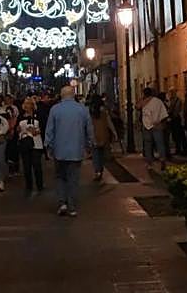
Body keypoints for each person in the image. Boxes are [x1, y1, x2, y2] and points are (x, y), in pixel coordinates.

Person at [44, 87, 93, 217]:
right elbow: (89, 129)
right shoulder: (82, 109)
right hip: (76, 149)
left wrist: (48, 146)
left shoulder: (55, 109)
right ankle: (71, 205)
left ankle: (62, 203)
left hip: (59, 150)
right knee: (73, 179)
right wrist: (89, 144)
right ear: (73, 95)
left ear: (61, 95)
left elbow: (50, 130)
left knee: (60, 177)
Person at [17, 97, 45, 194]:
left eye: (29, 103)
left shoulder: (38, 116)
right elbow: (17, 128)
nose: (27, 105)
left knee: (37, 165)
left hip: (36, 143)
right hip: (25, 143)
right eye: (26, 103)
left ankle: (39, 185)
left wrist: (37, 131)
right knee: (26, 166)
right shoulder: (20, 116)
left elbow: (43, 127)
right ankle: (29, 186)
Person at [87, 94, 117, 181]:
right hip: (103, 133)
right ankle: (101, 169)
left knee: (95, 154)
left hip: (94, 134)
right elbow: (109, 122)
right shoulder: (104, 110)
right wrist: (114, 132)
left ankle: (97, 171)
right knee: (102, 153)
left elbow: (88, 124)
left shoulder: (90, 111)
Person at [139, 87, 169, 172]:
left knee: (148, 144)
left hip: (147, 126)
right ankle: (162, 159)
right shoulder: (158, 101)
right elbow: (164, 114)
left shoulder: (144, 102)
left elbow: (137, 106)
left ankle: (149, 163)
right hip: (158, 125)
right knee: (160, 143)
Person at [2, 95, 20, 175]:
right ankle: (9, 169)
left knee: (14, 150)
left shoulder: (15, 108)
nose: (7, 101)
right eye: (6, 99)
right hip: (5, 131)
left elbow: (16, 118)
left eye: (8, 99)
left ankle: (16, 168)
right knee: (7, 150)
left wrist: (12, 128)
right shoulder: (2, 108)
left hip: (13, 131)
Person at [166, 89, 187, 157]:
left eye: (172, 92)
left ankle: (182, 149)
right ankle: (178, 148)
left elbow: (178, 110)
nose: (171, 94)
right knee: (175, 135)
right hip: (173, 119)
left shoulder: (178, 100)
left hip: (177, 119)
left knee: (179, 135)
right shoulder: (171, 100)